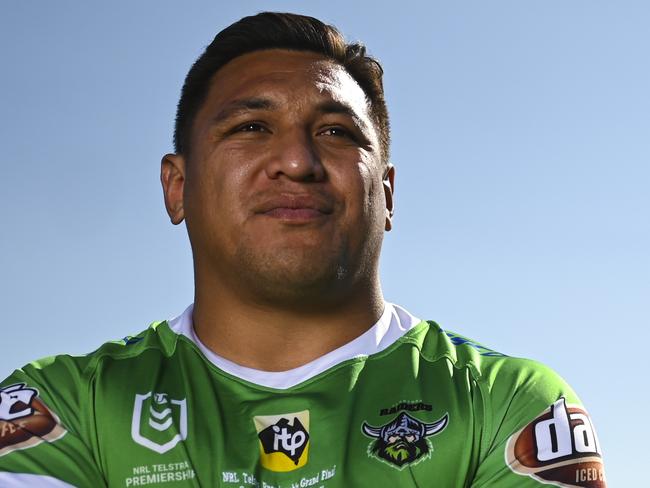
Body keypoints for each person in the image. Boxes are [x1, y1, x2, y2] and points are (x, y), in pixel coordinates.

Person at [0, 12, 606, 488]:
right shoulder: (63, 405)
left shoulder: (508, 406)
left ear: (387, 194)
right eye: (251, 128)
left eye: (336, 132)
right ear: (177, 186)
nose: (297, 161)